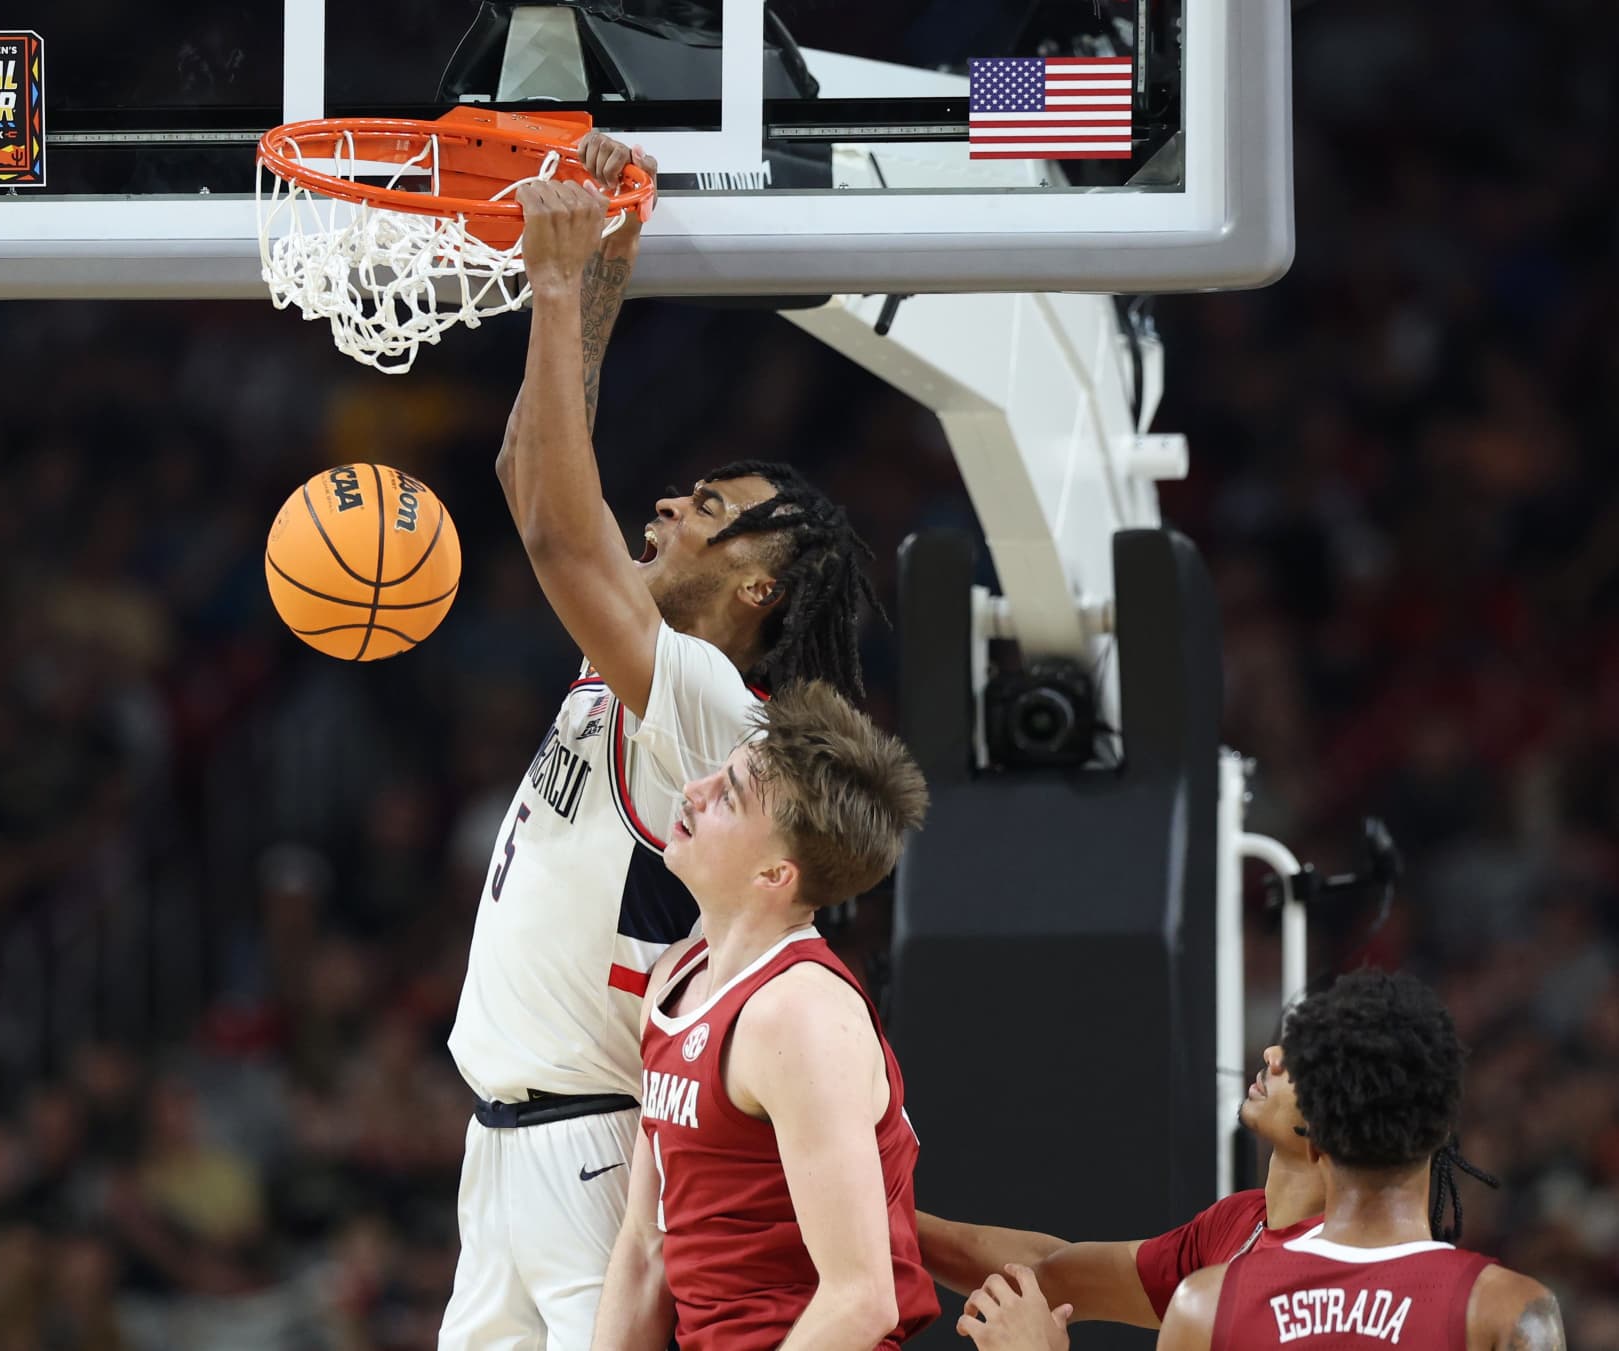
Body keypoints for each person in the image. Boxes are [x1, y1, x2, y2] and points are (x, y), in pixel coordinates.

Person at [439, 136, 887, 1350]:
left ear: (757, 592)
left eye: (707, 512)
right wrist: (598, 282)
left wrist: (555, 284)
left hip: (593, 1147)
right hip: (507, 1142)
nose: (664, 509)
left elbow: (554, 540)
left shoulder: (715, 711)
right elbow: (529, 479)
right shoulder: (635, 670)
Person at [956, 969, 1566, 1351]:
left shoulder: (1207, 1305)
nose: (1273, 1055)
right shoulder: (1511, 1311)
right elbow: (1052, 1265)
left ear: (1319, 1140)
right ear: (1441, 1131)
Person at [590, 681, 938, 1350]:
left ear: (775, 875)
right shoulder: (674, 977)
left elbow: (861, 1299)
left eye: (728, 794)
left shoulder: (799, 1016)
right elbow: (644, 1247)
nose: (694, 789)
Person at [916, 1034, 1496, 1326]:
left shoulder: (1336, 1289)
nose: (1273, 1054)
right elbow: (1054, 1270)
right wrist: (872, 1216)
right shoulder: (1241, 1223)